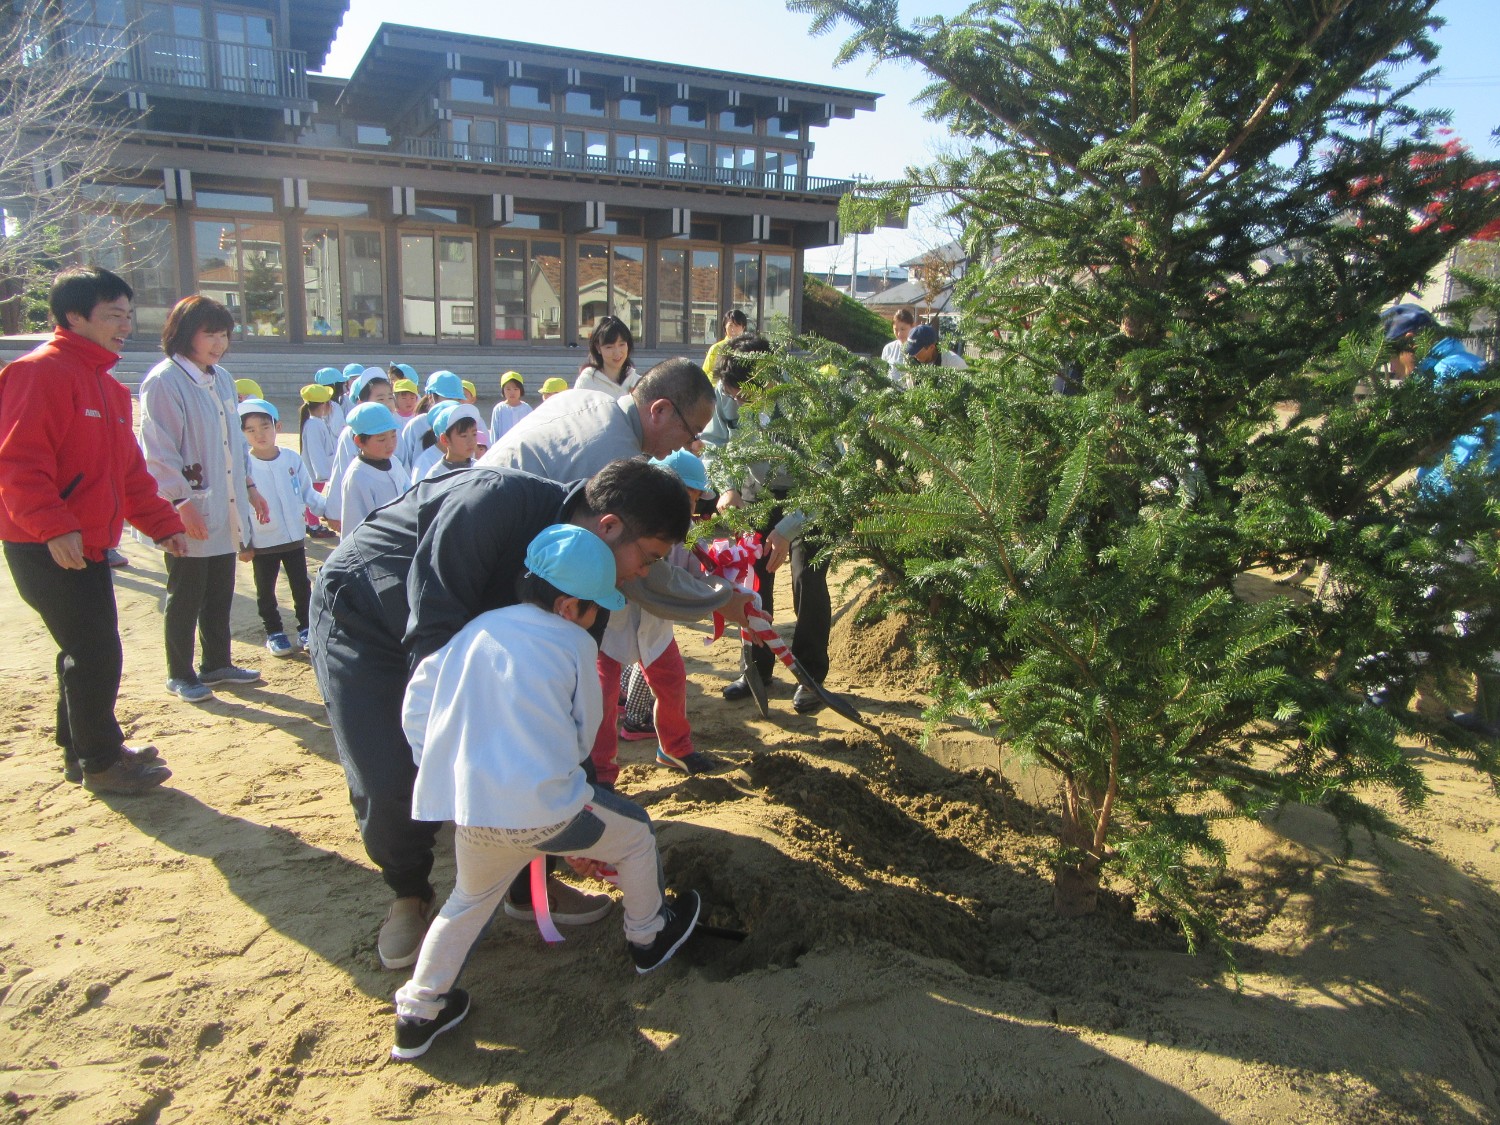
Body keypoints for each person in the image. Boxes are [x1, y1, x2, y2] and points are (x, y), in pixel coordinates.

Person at [308, 458, 697, 971]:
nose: (642, 574)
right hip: (367, 612)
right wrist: (447, 752)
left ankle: (528, 882)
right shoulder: (493, 504)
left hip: (462, 633)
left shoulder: (592, 583)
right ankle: (408, 891)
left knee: (524, 756)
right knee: (391, 773)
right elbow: (433, 634)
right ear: (608, 526)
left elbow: (567, 713)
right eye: (647, 557)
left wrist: (572, 810)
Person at [390, 524, 701, 1061]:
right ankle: (648, 936)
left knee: (467, 901)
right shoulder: (575, 643)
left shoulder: (476, 629)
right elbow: (585, 730)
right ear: (567, 606)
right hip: (551, 810)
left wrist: (439, 763)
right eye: (593, 610)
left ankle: (418, 1013)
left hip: (474, 812)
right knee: (635, 836)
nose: (596, 620)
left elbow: (418, 701)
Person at [0, 266, 187, 794]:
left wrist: (162, 525)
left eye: (128, 315)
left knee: (84, 647)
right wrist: (53, 528)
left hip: (87, 542)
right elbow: (17, 462)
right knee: (96, 651)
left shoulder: (104, 385)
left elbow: (128, 472)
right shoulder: (39, 373)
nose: (124, 325)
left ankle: (84, 749)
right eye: (112, 316)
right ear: (73, 316)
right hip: (46, 543)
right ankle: (102, 762)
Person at [139, 295, 267, 704]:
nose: (218, 343)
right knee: (185, 594)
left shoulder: (222, 379)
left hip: (225, 503)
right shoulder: (164, 381)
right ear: (184, 333)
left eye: (223, 335)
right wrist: (180, 502)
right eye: (209, 334)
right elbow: (160, 451)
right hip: (189, 507)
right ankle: (180, 672)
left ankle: (217, 663)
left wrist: (248, 486)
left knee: (219, 589)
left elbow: (235, 445)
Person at [701, 335, 832, 715]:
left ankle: (810, 676)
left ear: (768, 378)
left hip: (810, 497)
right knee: (753, 580)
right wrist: (726, 487)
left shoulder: (803, 398)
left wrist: (788, 528)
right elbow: (714, 446)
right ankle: (755, 669)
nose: (737, 399)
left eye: (745, 392)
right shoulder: (727, 395)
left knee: (807, 577)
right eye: (732, 392)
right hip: (754, 493)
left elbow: (828, 478)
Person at [597, 449, 721, 777]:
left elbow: (694, 565)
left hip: (653, 623)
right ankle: (600, 772)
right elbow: (654, 577)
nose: (692, 507)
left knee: (671, 680)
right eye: (688, 497)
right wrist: (714, 597)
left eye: (695, 499)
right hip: (612, 618)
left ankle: (675, 748)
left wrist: (723, 579)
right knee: (603, 694)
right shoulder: (635, 519)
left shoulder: (684, 529)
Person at [239, 398, 324, 656]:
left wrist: (329, 511)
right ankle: (274, 631)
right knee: (266, 588)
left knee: (301, 585)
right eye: (250, 430)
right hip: (263, 542)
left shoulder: (291, 458)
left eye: (265, 427)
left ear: (278, 426)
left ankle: (306, 628)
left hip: (294, 538)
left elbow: (308, 493)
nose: (259, 434)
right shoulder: (243, 467)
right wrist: (243, 542)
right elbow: (239, 509)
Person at [338, 401, 410, 537]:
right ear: (360, 441)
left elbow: (410, 494)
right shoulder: (357, 476)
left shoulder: (394, 462)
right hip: (376, 547)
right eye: (381, 439)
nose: (390, 444)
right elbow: (352, 526)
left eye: (393, 436)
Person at [396, 370, 464, 470]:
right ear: (431, 397)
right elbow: (403, 464)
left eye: (458, 399)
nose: (453, 404)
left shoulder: (464, 424)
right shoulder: (416, 425)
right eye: (448, 398)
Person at [299, 383, 338, 540]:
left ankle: (310, 522)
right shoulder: (314, 424)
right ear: (323, 404)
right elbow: (316, 451)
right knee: (311, 497)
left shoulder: (315, 422)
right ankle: (314, 525)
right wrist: (321, 472)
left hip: (317, 469)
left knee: (311, 496)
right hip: (316, 471)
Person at [413, 402, 482, 482]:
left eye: (474, 434)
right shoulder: (435, 476)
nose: (471, 441)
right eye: (464, 436)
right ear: (445, 439)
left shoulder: (480, 469)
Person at [573, 316, 640, 397]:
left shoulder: (638, 382)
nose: (617, 352)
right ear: (598, 348)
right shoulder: (587, 382)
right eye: (609, 347)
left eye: (622, 345)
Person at [903, 323, 967, 381]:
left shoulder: (955, 363)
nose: (913, 355)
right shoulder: (910, 361)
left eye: (916, 351)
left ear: (931, 347)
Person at [702, 309, 748, 380]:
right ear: (725, 327)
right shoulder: (716, 348)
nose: (733, 329)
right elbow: (704, 373)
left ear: (743, 327)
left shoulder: (749, 348)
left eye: (737, 325)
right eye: (730, 325)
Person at [489, 371, 532, 440]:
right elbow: (494, 433)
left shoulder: (527, 409)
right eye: (508, 389)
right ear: (503, 390)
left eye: (516, 389)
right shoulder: (499, 409)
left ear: (521, 390)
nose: (512, 392)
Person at [881, 307, 916, 386]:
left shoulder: (920, 349)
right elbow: (883, 374)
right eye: (896, 330)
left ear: (913, 326)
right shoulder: (888, 349)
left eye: (903, 329)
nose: (899, 334)